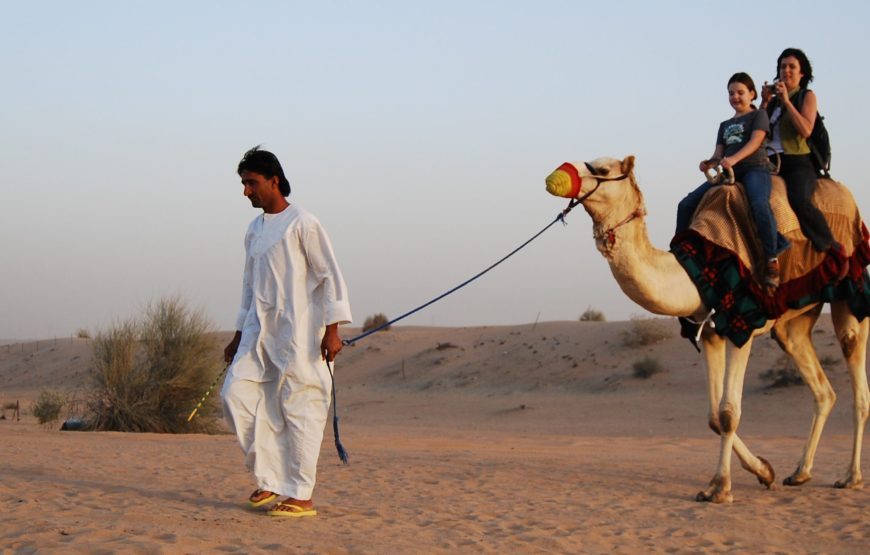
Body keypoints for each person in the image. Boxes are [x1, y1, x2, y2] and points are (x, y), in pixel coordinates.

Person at [221, 146, 352, 518]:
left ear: (274, 181)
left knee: (302, 406)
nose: (246, 191)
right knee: (236, 394)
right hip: (257, 331)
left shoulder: (303, 223)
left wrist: (332, 330)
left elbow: (330, 277)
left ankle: (301, 494)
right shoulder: (254, 229)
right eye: (244, 184)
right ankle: (271, 478)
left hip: (300, 332)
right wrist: (236, 334)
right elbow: (249, 284)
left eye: (252, 183)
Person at [676, 72, 790, 291]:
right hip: (727, 170)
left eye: (740, 92)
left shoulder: (758, 116)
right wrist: (709, 163)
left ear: (752, 94)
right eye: (731, 93)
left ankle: (771, 258)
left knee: (758, 204)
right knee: (686, 204)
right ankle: (681, 253)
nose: (735, 97)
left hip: (754, 168)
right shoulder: (724, 124)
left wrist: (734, 159)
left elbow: (756, 141)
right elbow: (719, 153)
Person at [760, 47, 839, 256]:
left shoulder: (807, 96)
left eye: (792, 67)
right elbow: (758, 131)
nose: (786, 71)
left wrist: (787, 101)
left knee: (799, 199)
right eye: (783, 66)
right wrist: (765, 102)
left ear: (801, 73)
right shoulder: (773, 102)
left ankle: (830, 246)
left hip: (797, 161)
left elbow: (806, 129)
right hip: (769, 161)